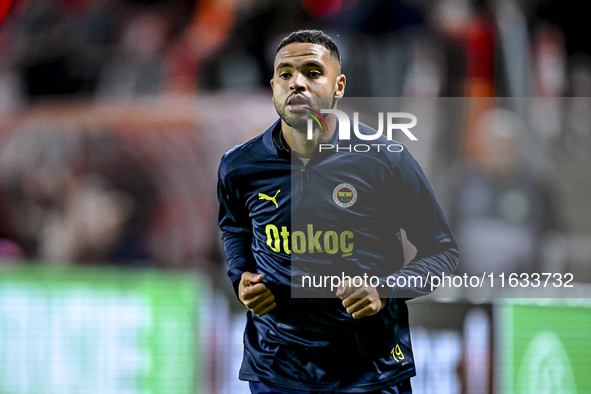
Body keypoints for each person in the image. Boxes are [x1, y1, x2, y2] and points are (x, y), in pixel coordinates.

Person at [218, 30, 459, 394]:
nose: (297, 83)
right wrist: (241, 277)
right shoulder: (239, 166)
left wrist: (385, 289)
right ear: (272, 86)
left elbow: (442, 251)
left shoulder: (384, 160)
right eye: (285, 74)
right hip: (276, 369)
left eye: (313, 72)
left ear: (339, 86)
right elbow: (234, 227)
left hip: (368, 371)